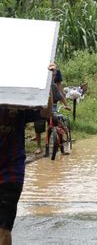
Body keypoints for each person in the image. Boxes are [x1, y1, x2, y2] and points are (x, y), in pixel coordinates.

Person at [0, 67, 53, 245]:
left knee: (3, 228)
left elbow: (46, 113)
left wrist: (48, 82)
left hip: (11, 172)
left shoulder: (19, 106)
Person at [33, 64, 70, 155]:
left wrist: (66, 105)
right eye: (51, 72)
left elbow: (61, 97)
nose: (52, 74)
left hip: (51, 109)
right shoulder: (40, 85)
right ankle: (38, 146)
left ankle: (61, 146)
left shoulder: (53, 86)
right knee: (38, 125)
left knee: (57, 121)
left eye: (54, 73)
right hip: (41, 108)